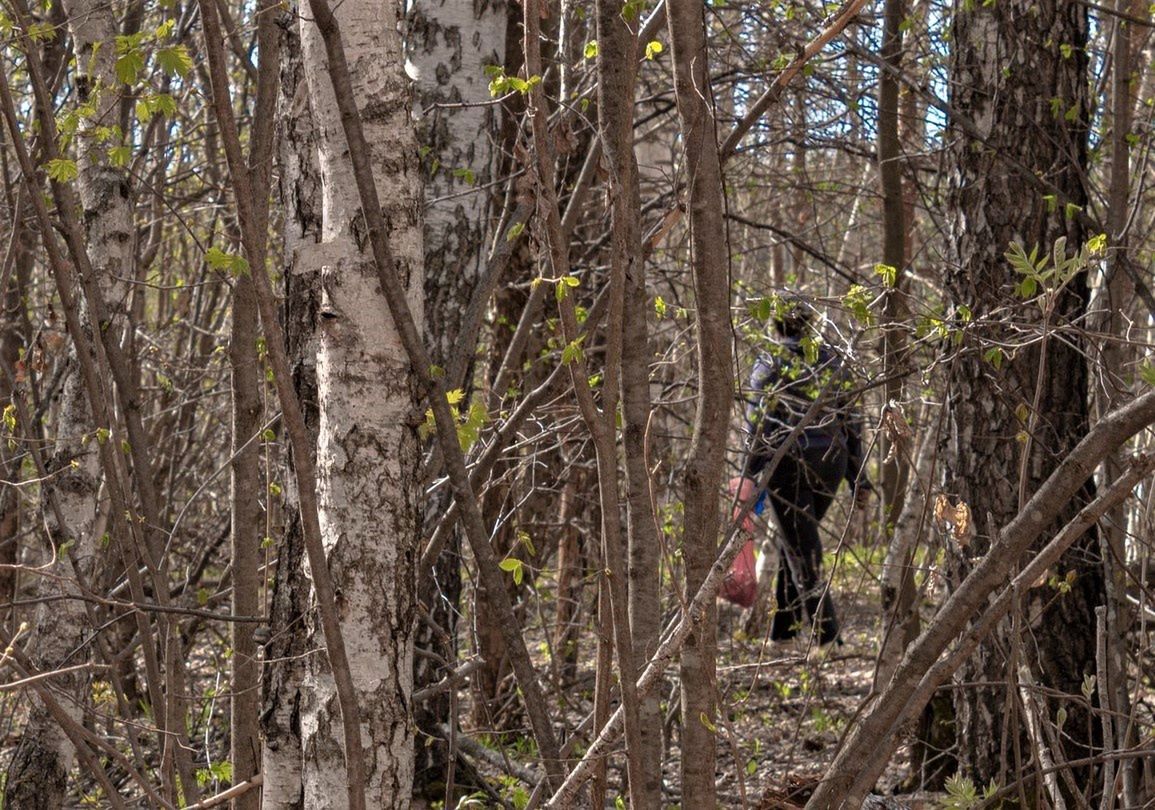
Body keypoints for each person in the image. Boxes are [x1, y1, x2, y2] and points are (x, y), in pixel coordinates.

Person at [724, 298, 872, 648]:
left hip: (788, 467)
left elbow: (756, 425)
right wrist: (857, 475)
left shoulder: (769, 362)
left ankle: (829, 637)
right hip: (831, 464)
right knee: (797, 542)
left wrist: (749, 474)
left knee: (802, 549)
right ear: (812, 326)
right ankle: (784, 634)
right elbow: (852, 423)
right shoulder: (834, 360)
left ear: (776, 326)